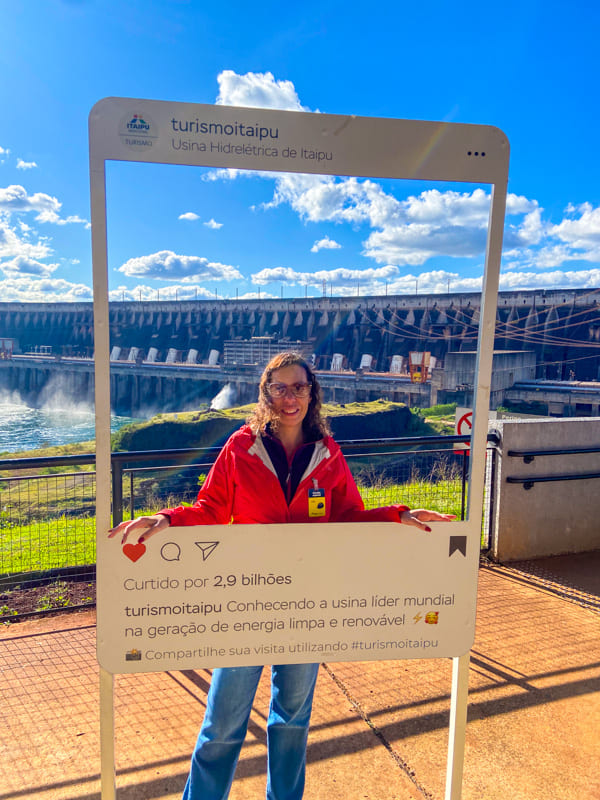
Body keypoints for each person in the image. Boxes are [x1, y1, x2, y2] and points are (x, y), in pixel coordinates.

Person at [109, 351, 455, 800]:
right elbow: (212, 509)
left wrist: (397, 514)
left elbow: (346, 516)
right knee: (223, 723)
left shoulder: (328, 454)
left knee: (292, 721)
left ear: (313, 394)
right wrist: (167, 519)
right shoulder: (240, 448)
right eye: (280, 388)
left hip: (305, 603)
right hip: (247, 603)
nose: (290, 398)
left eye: (300, 388)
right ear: (265, 393)